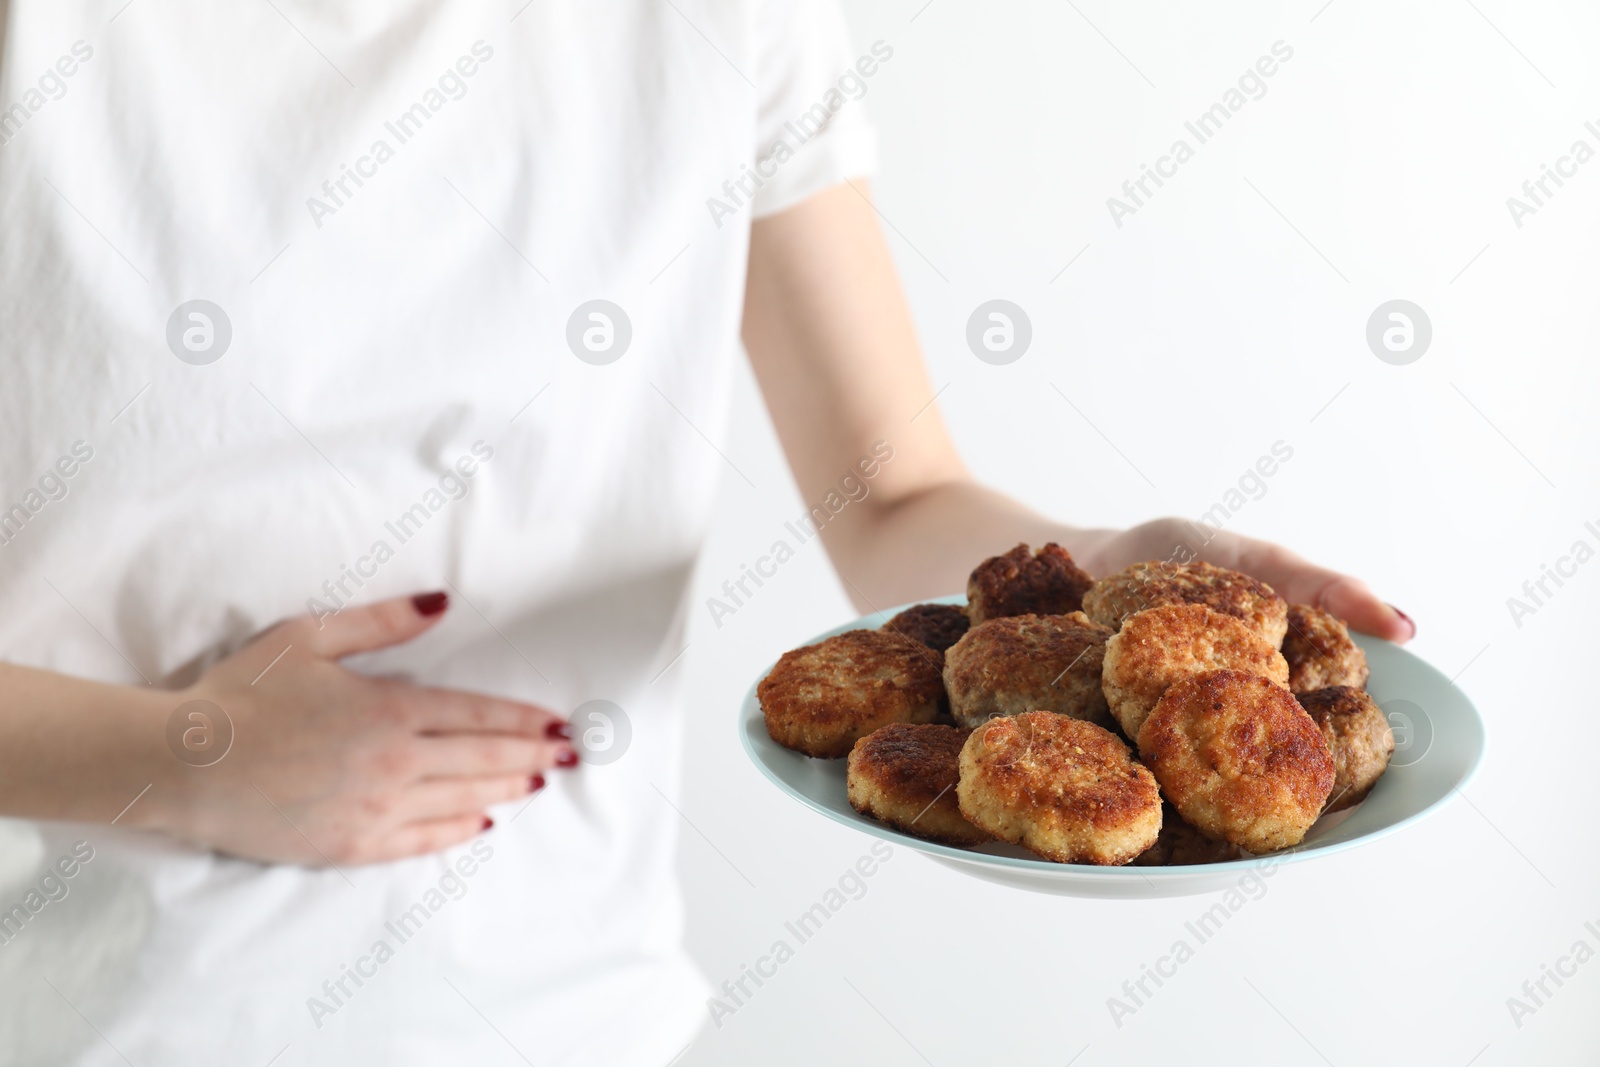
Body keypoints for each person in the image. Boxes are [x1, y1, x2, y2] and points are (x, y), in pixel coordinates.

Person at [0, 2, 1412, 1063]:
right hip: (89, 1019)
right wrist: (178, 761)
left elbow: (898, 502)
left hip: (574, 1020)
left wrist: (1104, 571)